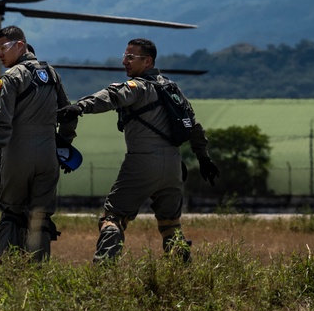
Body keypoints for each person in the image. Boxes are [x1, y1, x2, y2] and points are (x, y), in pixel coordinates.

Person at [57, 38, 219, 263]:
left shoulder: (138, 87)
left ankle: (103, 272)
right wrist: (204, 158)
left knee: (113, 218)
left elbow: (112, 96)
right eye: (124, 56)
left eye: (131, 57)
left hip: (142, 163)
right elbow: (194, 126)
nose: (125, 62)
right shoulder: (172, 89)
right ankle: (184, 273)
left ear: (148, 61)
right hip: (173, 167)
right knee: (170, 225)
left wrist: (79, 106)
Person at [0, 25, 76, 260]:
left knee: (11, 212)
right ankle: (38, 274)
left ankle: (11, 268)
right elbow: (68, 113)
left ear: (20, 45)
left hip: (18, 153)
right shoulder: (52, 73)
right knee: (40, 216)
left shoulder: (11, 77)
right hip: (48, 154)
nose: (0, 54)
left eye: (4, 48)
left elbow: (2, 120)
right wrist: (64, 144)